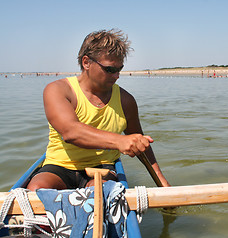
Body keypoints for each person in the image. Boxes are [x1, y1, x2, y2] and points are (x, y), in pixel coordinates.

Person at [27, 29, 170, 191]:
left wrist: (162, 182)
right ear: (86, 62)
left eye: (119, 69)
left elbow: (141, 144)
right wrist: (120, 141)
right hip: (59, 165)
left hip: (103, 167)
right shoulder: (58, 90)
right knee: (36, 188)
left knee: (100, 192)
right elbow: (70, 132)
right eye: (109, 69)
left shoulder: (126, 101)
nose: (117, 76)